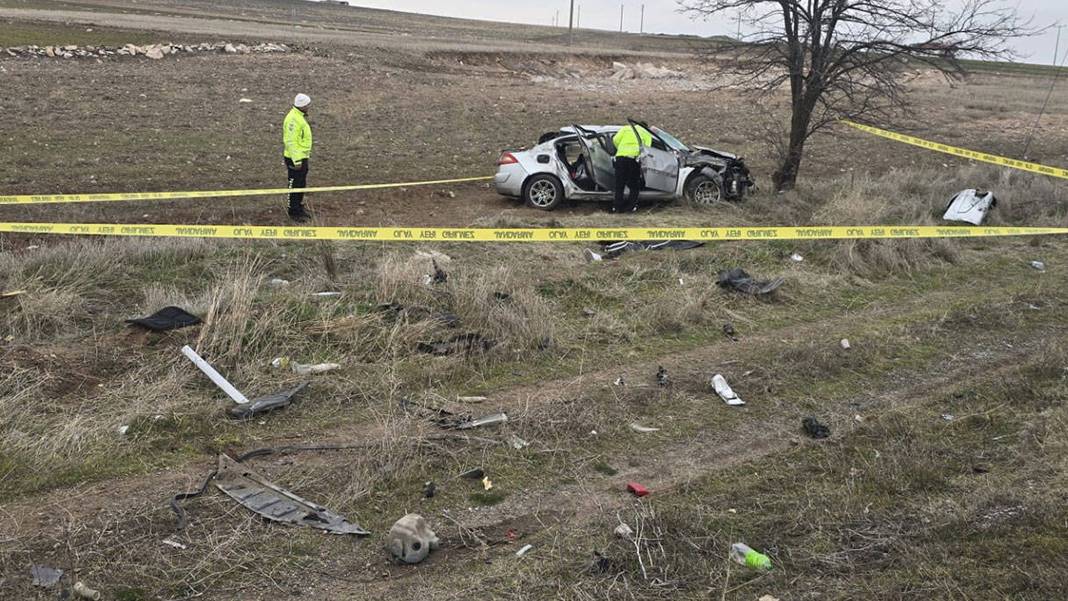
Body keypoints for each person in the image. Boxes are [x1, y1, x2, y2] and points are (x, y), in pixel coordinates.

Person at [283, 93, 313, 221]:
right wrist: (297, 160)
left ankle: (298, 207)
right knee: (294, 184)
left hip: (301, 157)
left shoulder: (298, 116)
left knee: (300, 183)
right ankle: (293, 212)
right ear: (302, 106)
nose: (309, 107)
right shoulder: (293, 119)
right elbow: (290, 141)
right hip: (295, 159)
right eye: (307, 105)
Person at [611, 122, 653, 213]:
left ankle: (617, 208)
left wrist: (620, 148)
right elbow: (647, 149)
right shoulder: (646, 133)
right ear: (646, 127)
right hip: (633, 160)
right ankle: (631, 207)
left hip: (620, 158)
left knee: (619, 185)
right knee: (634, 185)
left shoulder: (626, 128)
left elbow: (615, 140)